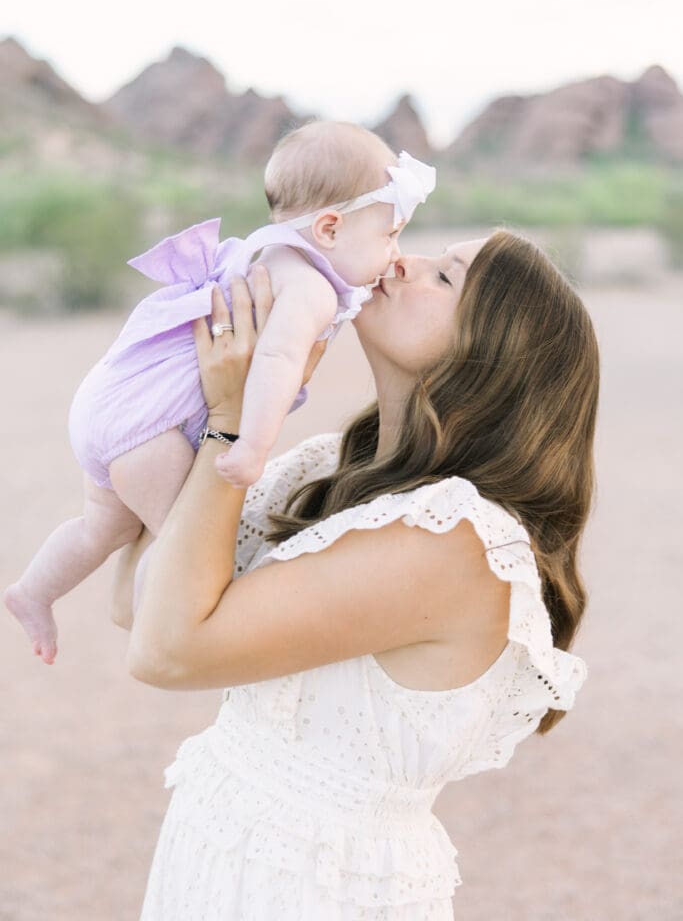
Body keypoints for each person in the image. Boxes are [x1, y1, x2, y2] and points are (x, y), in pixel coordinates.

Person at [118, 228, 598, 919]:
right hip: (226, 854)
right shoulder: (332, 472)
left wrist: (233, 426)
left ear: (490, 356)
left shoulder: (453, 539)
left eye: (444, 277)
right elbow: (136, 602)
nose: (404, 260)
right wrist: (180, 393)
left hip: (315, 887)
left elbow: (167, 650)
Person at [4, 121, 436, 665]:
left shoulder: (266, 253)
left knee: (102, 526)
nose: (395, 253)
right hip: (150, 429)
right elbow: (277, 361)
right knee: (186, 548)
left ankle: (34, 591)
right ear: (328, 229)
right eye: (389, 236)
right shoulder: (311, 289)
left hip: (112, 406)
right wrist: (251, 446)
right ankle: (164, 628)